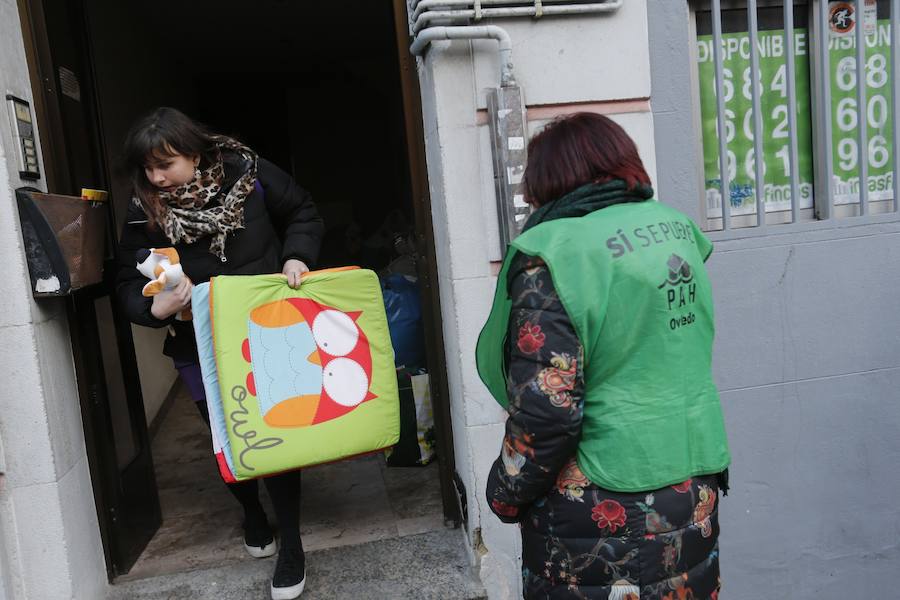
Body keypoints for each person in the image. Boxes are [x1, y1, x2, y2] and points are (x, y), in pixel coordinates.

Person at [477, 113, 730, 599]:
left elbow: (547, 410)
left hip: (600, 501)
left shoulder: (555, 252)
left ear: (549, 180)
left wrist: (504, 492)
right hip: (692, 480)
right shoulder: (675, 229)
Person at [116, 107, 324, 600]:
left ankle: (291, 544)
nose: (155, 177)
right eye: (146, 169)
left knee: (273, 427)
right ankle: (251, 511)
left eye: (164, 165)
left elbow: (302, 211)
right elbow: (126, 281)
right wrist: (158, 306)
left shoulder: (248, 176)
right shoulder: (143, 208)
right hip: (195, 339)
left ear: (194, 153)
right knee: (225, 434)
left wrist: (297, 255)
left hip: (265, 328)